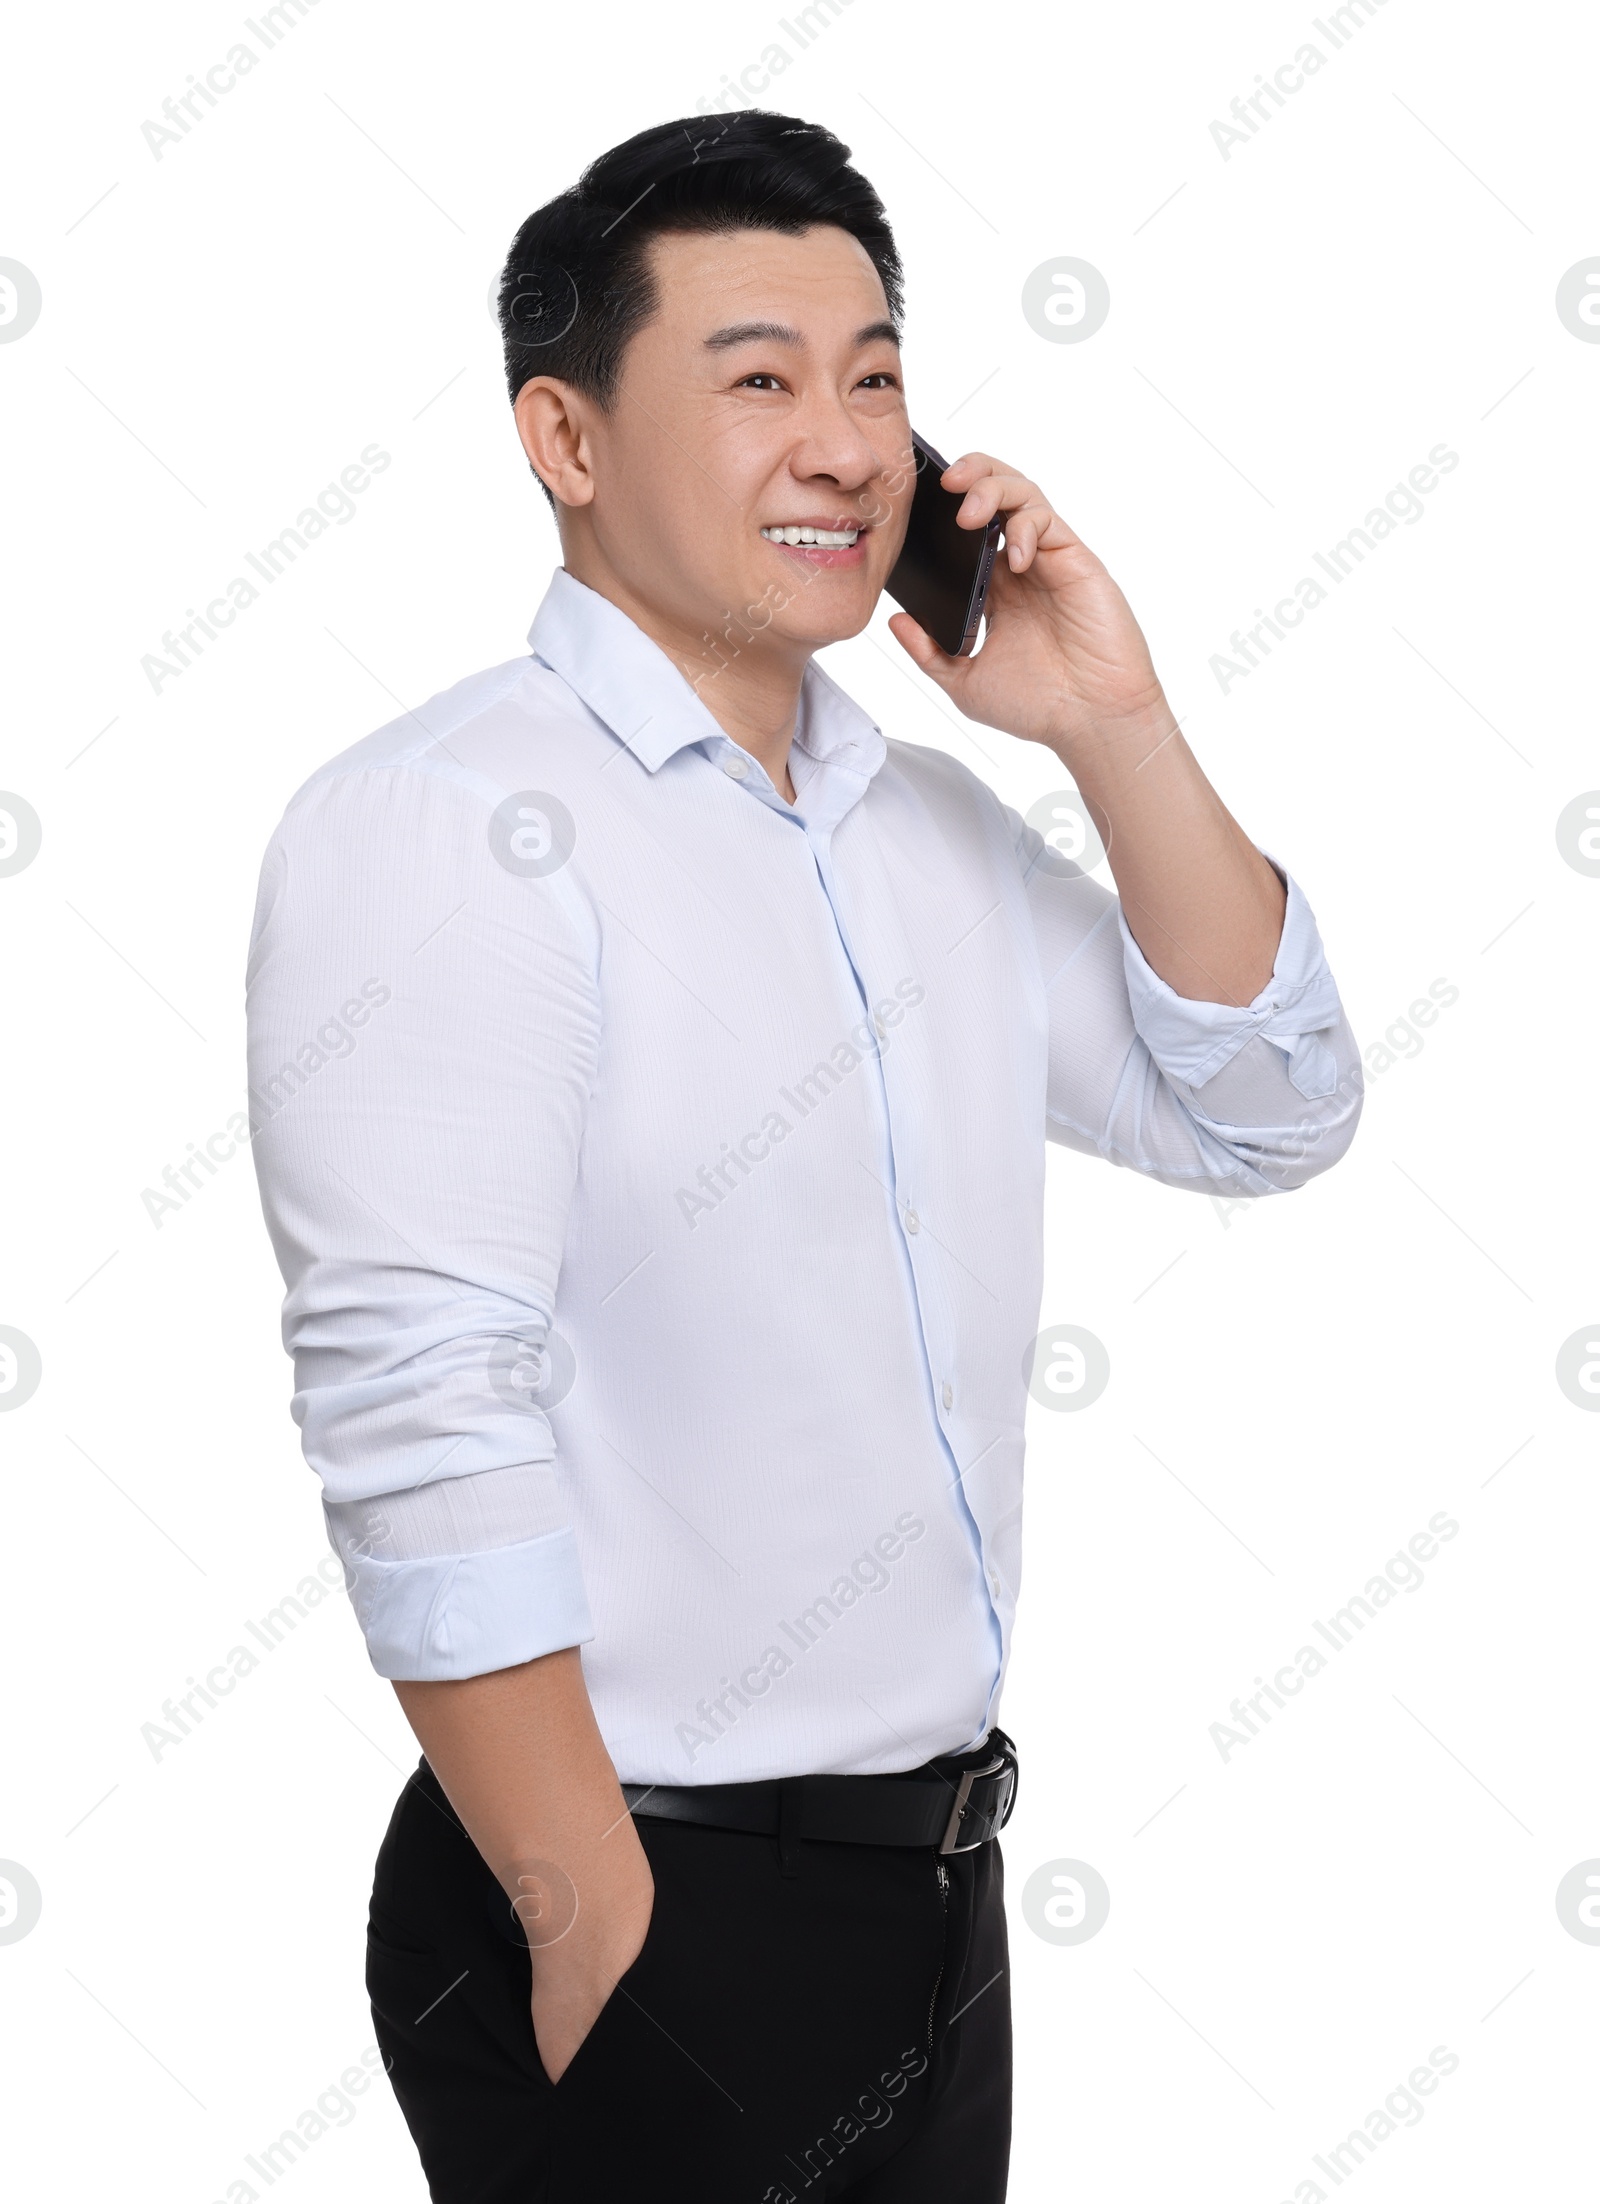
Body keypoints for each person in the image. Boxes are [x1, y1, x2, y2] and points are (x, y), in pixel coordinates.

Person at [246, 109, 1361, 2202]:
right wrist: (589, 1911)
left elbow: (1265, 1103)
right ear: (565, 440)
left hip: (922, 1900)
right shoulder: (450, 825)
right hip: (641, 1891)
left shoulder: (918, 833)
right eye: (757, 377)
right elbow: (417, 1400)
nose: (844, 444)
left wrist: (1106, 722)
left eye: (874, 376)